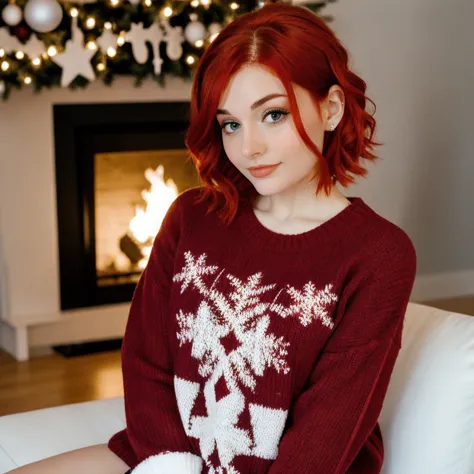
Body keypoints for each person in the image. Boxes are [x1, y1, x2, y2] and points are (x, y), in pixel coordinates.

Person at [8, 2, 417, 473]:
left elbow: (329, 430)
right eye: (231, 124)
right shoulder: (191, 217)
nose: (249, 148)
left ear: (331, 108)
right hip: (165, 458)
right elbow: (146, 361)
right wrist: (168, 464)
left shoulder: (378, 255)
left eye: (274, 115)